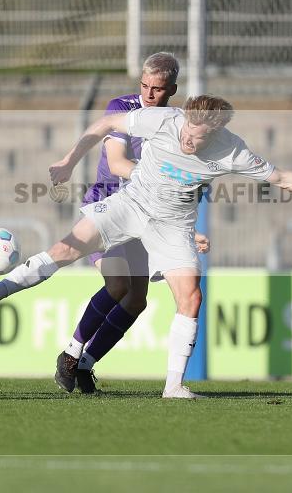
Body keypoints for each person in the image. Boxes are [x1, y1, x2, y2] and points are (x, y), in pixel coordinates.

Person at [0, 95, 292, 399]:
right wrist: (71, 159)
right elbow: (107, 121)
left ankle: (173, 386)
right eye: (189, 130)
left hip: (174, 224)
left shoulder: (231, 148)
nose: (190, 138)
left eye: (200, 135)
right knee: (66, 247)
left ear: (217, 131)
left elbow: (284, 178)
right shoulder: (163, 119)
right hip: (130, 203)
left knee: (190, 297)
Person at [51, 52, 209, 395]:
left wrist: (187, 228)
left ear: (172, 89)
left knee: (136, 300)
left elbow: (180, 184)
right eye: (144, 85)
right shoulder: (121, 108)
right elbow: (116, 162)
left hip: (148, 216)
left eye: (157, 88)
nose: (149, 94)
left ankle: (86, 363)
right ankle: (70, 352)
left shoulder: (176, 124)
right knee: (118, 283)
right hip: (109, 208)